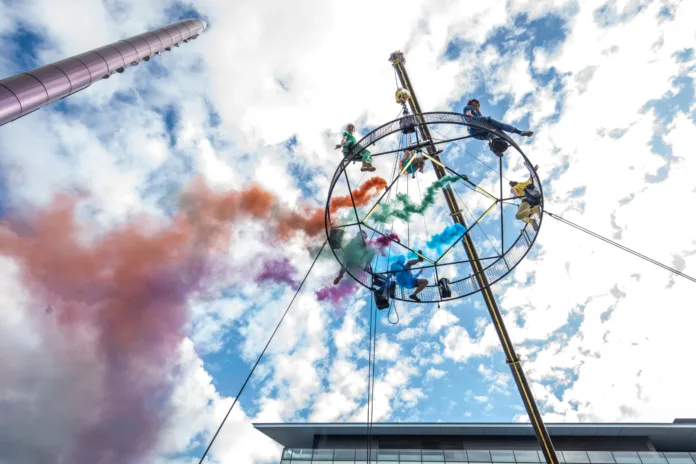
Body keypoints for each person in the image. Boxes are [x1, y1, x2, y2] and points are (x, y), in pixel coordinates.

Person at [463, 99, 534, 140]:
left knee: (492, 137)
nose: (476, 106)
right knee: (501, 126)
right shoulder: (468, 107)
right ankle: (520, 132)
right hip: (477, 124)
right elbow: (468, 111)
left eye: (477, 105)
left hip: (475, 132)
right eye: (475, 104)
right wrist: (470, 114)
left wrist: (477, 110)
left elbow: (479, 116)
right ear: (471, 103)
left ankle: (495, 149)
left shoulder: (475, 113)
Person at [509, 164, 541, 231]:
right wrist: (534, 170)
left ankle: (535, 210)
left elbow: (515, 193)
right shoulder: (525, 183)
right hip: (535, 199)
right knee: (523, 219)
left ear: (512, 185)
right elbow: (532, 177)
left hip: (527, 201)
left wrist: (515, 196)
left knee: (518, 216)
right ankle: (532, 221)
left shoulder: (513, 188)